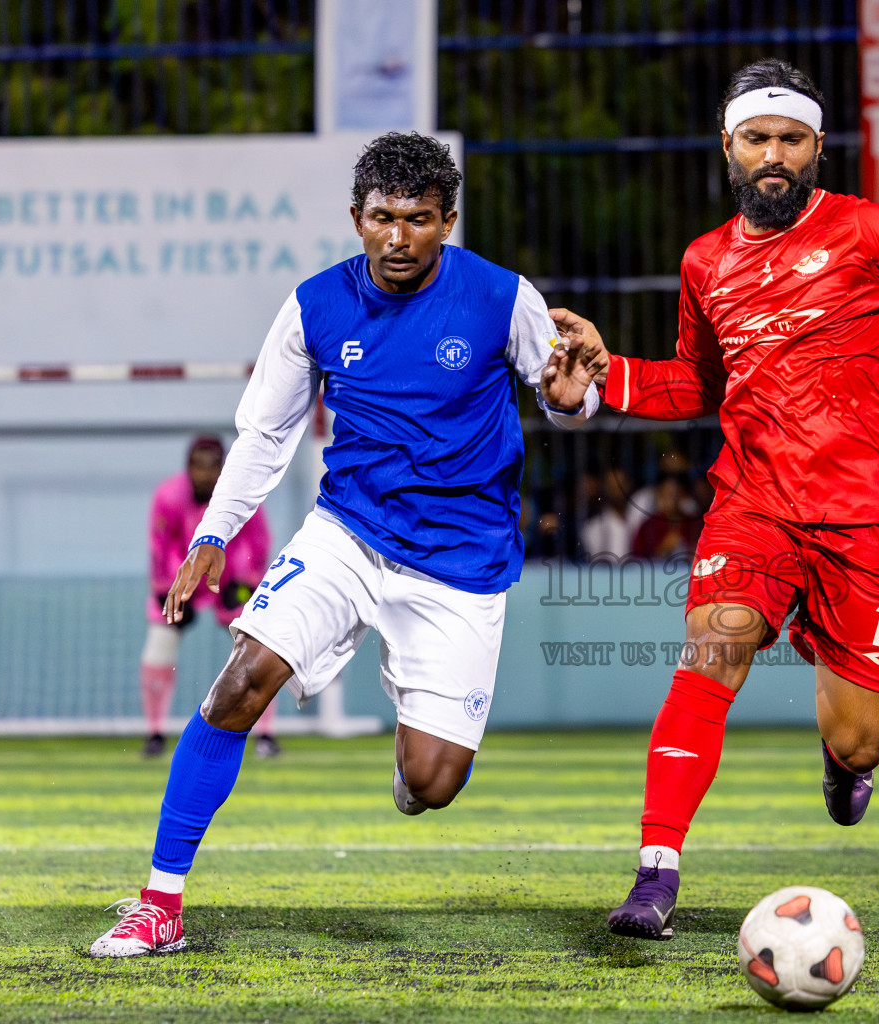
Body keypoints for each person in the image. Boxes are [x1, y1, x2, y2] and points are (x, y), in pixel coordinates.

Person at [550, 59, 879, 941]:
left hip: (870, 513)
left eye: (790, 139)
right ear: (728, 146)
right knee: (713, 649)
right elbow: (700, 382)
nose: (772, 155)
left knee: (859, 739)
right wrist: (603, 377)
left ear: (818, 147)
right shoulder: (705, 261)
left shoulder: (866, 230)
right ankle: (655, 873)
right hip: (755, 503)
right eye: (757, 139)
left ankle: (842, 759)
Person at [89, 132, 602, 957]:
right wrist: (214, 532)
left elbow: (566, 396)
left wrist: (573, 402)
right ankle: (161, 904)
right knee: (239, 683)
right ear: (356, 217)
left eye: (418, 219)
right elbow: (266, 433)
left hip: (461, 562)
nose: (398, 237)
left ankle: (415, 756)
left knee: (433, 783)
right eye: (382, 218)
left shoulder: (504, 297)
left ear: (448, 222)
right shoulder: (315, 305)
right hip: (348, 535)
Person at [140, 436, 275, 759]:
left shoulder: (242, 495)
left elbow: (258, 546)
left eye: (211, 466)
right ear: (188, 467)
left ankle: (265, 735)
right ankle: (155, 733)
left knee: (259, 650)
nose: (204, 474)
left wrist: (244, 587)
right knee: (158, 648)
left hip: (229, 581)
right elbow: (159, 547)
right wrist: (164, 591)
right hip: (182, 580)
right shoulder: (168, 496)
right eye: (197, 466)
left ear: (222, 468)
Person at [581, 466, 635, 559]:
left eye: (620, 484)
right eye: (612, 485)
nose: (616, 489)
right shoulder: (593, 528)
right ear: (604, 488)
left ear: (629, 485)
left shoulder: (639, 518)